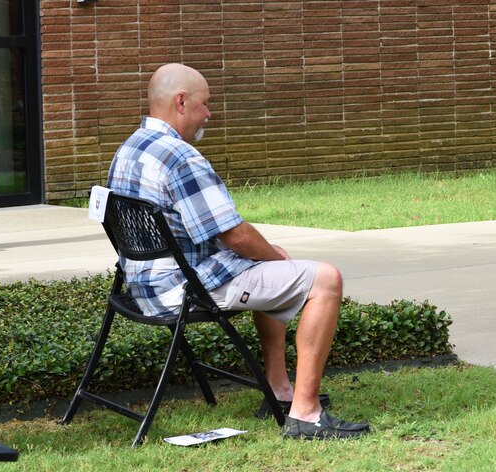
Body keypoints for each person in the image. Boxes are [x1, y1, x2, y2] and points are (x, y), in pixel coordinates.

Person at [106, 63, 370, 441]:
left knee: (270, 258)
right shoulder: (180, 158)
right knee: (326, 279)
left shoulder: (131, 147)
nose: (209, 113)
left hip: (141, 287)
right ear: (181, 102)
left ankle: (279, 391)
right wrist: (278, 260)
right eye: (205, 104)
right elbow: (235, 235)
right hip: (181, 290)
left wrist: (270, 256)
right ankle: (306, 415)